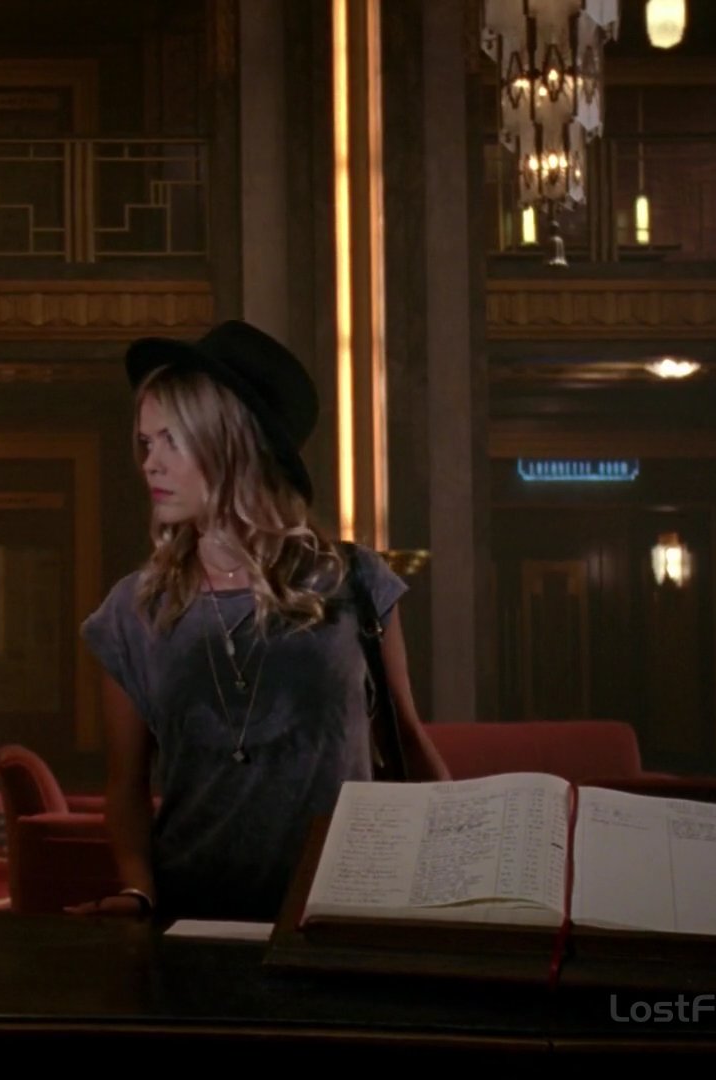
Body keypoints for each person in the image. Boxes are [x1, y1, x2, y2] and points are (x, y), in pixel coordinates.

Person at [68, 320, 448, 924]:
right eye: (145, 443)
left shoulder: (354, 581)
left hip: (341, 912)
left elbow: (404, 741)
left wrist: (457, 868)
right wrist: (138, 889)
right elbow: (127, 786)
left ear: (233, 446)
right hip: (193, 915)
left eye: (171, 441)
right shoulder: (133, 610)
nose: (150, 464)